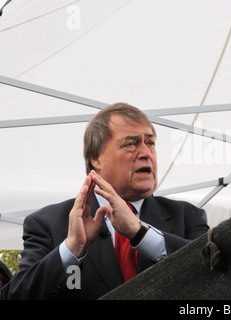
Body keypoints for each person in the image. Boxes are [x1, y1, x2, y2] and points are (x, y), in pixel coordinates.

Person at [1, 103, 209, 299]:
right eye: (131, 143)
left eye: (150, 143)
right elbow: (16, 296)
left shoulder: (188, 216)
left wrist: (141, 234)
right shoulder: (48, 223)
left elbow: (216, 273)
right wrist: (72, 248)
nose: (146, 153)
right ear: (96, 158)